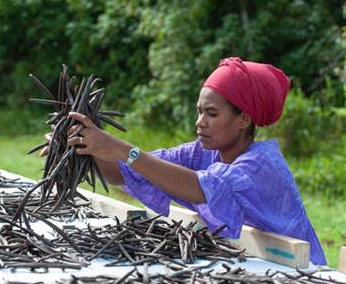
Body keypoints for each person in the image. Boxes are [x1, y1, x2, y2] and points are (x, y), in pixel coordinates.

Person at [65, 57, 327, 265]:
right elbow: (126, 172)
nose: (199, 122)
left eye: (211, 113)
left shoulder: (260, 165)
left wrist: (122, 149)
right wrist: (80, 149)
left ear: (243, 120)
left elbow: (202, 189)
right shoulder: (203, 153)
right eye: (199, 111)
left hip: (300, 273)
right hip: (254, 263)